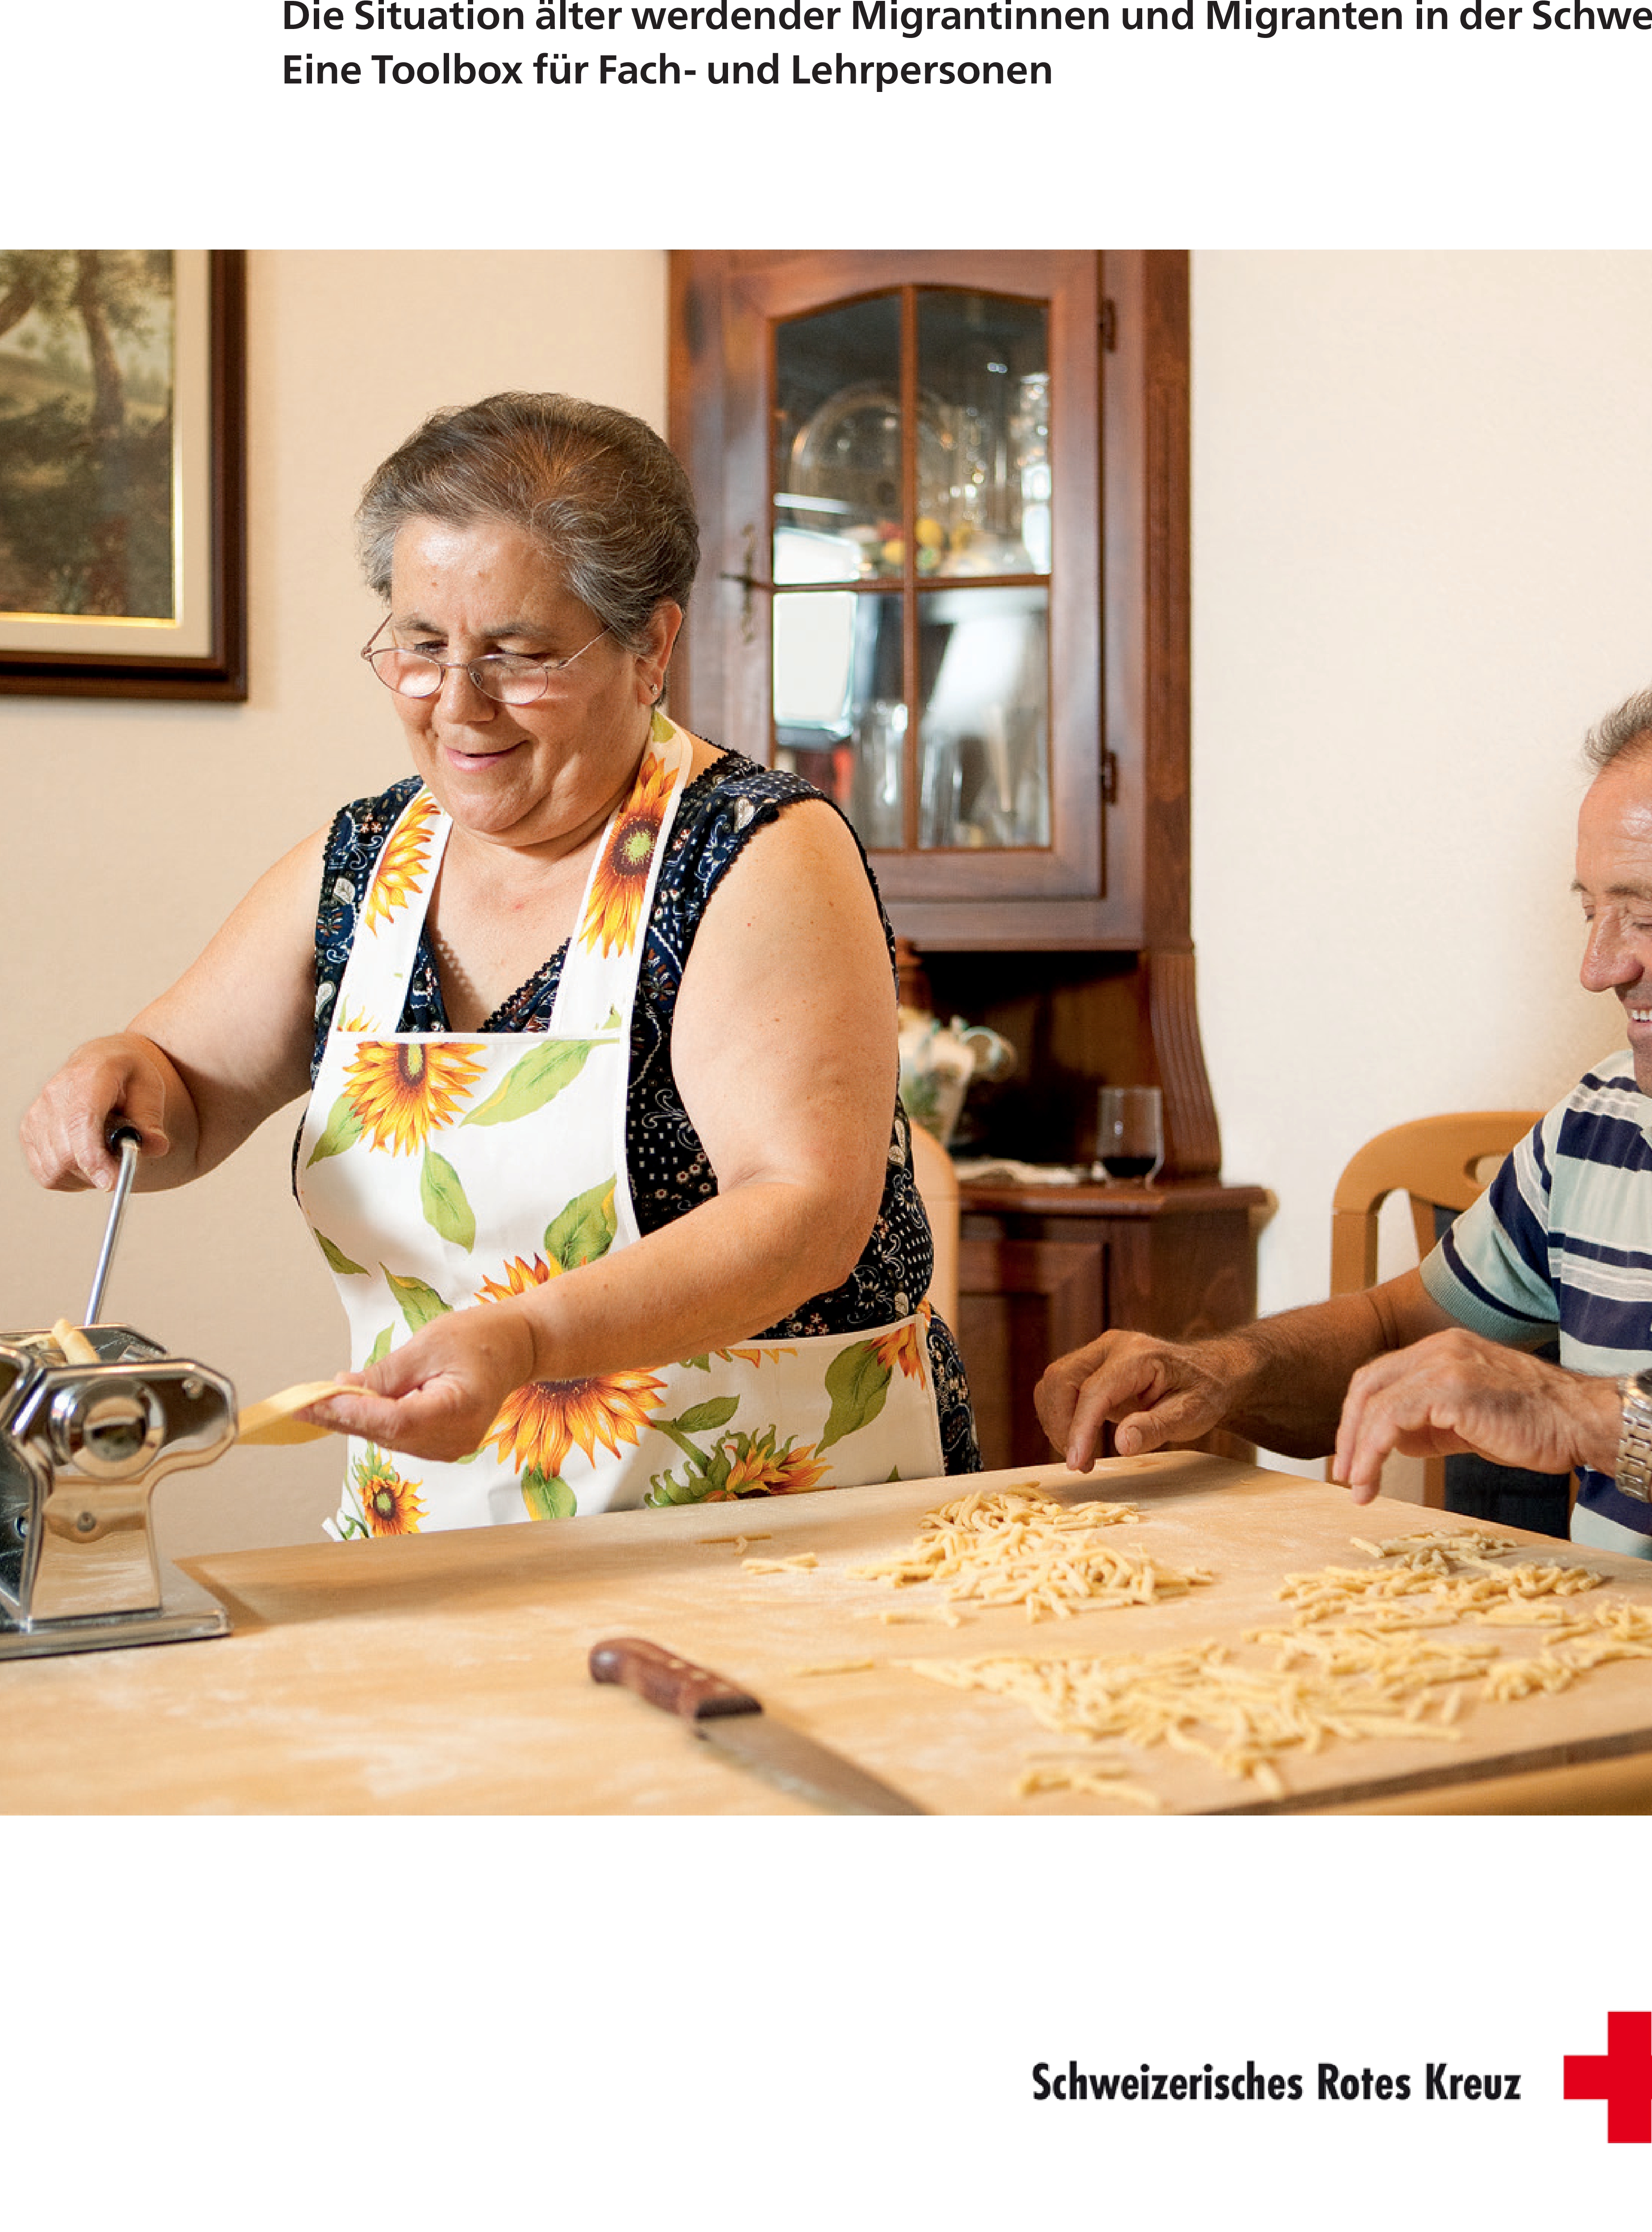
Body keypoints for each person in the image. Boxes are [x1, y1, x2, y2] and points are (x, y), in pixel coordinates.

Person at [21, 391, 978, 1534]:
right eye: (421, 647)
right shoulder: (365, 864)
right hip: (433, 1544)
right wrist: (121, 1080)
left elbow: (807, 1214)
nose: (460, 705)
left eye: (518, 655)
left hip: (765, 1536)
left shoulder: (756, 853)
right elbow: (181, 1095)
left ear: (650, 646)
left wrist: (527, 1340)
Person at [1036, 657, 1652, 1604]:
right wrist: (1222, 1371)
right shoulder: (1602, 1121)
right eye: (1593, 913)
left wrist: (1590, 1415)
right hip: (1610, 1685)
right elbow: (1389, 1333)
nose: (1599, 968)